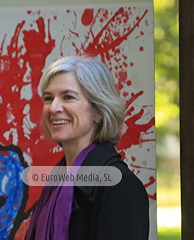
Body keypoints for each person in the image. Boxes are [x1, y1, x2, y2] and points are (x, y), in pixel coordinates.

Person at [25, 56, 149, 240]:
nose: (53, 108)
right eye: (48, 98)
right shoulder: (57, 180)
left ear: (98, 110)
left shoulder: (120, 186)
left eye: (68, 97)